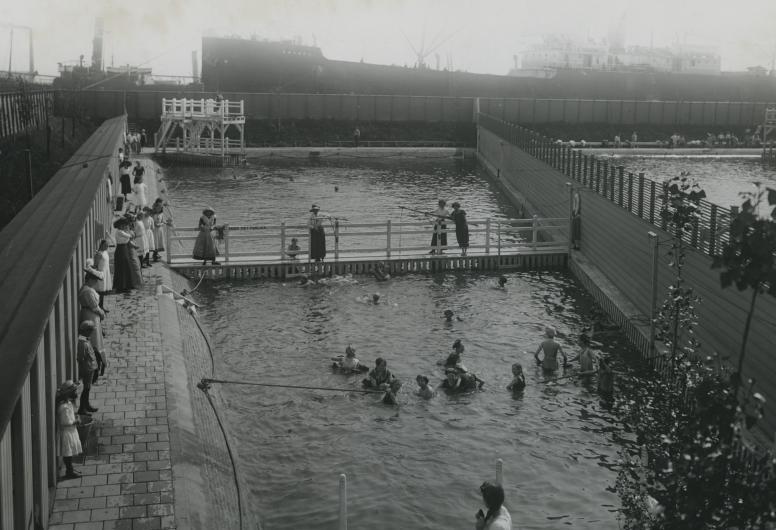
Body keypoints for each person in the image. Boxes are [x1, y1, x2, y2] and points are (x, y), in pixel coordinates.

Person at [79, 264, 106, 380]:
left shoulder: (86, 289)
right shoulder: (88, 291)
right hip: (91, 316)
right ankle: (95, 367)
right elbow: (94, 307)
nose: (95, 282)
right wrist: (102, 313)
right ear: (89, 279)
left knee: (95, 339)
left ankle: (97, 366)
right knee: (94, 341)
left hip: (89, 315)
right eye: (94, 280)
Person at [56, 380, 84, 480]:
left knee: (70, 452)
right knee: (68, 453)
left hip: (70, 431)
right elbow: (65, 422)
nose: (76, 393)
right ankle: (69, 471)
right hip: (67, 432)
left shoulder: (68, 403)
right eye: (74, 391)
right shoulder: (64, 407)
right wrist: (75, 422)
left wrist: (75, 418)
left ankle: (70, 469)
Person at [113, 217, 142, 291]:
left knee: (126, 267)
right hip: (121, 249)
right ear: (120, 225)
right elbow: (130, 236)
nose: (124, 226)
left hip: (124, 249)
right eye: (123, 225)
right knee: (123, 267)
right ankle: (122, 286)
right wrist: (130, 233)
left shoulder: (121, 231)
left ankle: (126, 285)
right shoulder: (119, 231)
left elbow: (129, 237)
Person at [76, 321, 99, 413]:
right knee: (86, 389)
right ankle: (82, 408)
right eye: (90, 331)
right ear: (86, 331)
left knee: (88, 388)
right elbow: (80, 358)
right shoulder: (82, 343)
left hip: (90, 368)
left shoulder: (85, 339)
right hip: (87, 369)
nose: (91, 333)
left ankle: (86, 405)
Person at [92, 240, 112, 312]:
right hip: (100, 273)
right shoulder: (99, 254)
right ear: (102, 245)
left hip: (106, 273)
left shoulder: (105, 252)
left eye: (107, 245)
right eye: (106, 245)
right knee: (99, 290)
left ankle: (102, 306)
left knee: (103, 290)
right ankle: (98, 307)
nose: (107, 247)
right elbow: (95, 265)